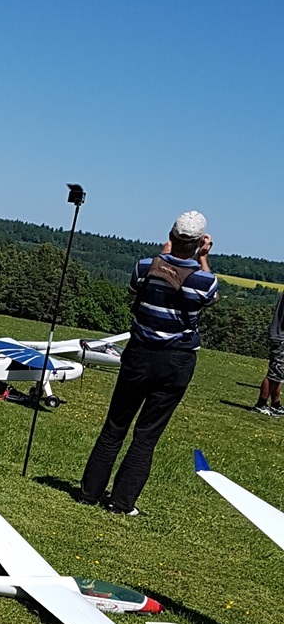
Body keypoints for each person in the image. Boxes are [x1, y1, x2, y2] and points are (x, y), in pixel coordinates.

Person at [79, 210, 218, 516]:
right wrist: (204, 258)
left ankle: (89, 492)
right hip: (177, 361)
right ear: (199, 243)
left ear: (170, 235)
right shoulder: (204, 280)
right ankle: (122, 502)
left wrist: (164, 256)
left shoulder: (144, 267)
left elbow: (135, 292)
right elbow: (211, 299)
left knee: (114, 426)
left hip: (139, 354)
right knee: (146, 435)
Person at [254, 289, 284, 417]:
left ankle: (275, 404)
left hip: (279, 336)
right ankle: (261, 404)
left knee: (279, 373)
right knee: (274, 373)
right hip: (281, 338)